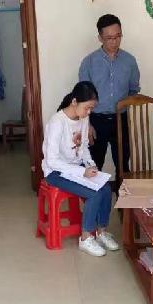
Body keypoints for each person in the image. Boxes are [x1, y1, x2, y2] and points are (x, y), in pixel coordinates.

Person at [42, 81, 120, 257]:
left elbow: (83, 147)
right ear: (74, 102)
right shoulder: (57, 122)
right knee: (94, 194)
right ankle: (85, 238)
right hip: (56, 172)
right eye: (87, 107)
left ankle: (101, 232)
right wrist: (82, 172)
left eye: (92, 108)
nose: (89, 112)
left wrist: (90, 164)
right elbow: (52, 161)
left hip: (76, 168)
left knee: (106, 189)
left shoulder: (83, 118)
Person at [78, 14, 140, 173]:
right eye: (109, 38)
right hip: (96, 120)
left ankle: (122, 189)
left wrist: (126, 105)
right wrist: (87, 124)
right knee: (93, 165)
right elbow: (83, 99)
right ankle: (94, 191)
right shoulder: (89, 62)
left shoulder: (129, 61)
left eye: (118, 36)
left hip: (121, 119)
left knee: (123, 165)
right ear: (100, 38)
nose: (115, 42)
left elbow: (133, 90)